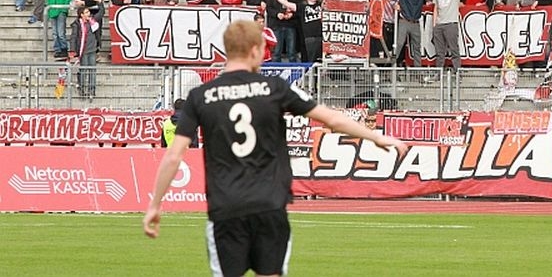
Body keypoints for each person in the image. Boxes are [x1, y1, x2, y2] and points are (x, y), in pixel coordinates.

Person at [143, 21, 409, 275]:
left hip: (226, 208)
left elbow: (174, 156)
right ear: (254, 50)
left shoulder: (200, 96)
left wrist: (155, 205)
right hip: (268, 204)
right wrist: (376, 137)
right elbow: (332, 119)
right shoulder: (274, 88)